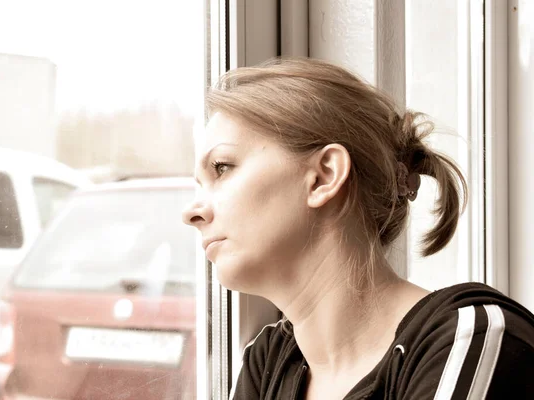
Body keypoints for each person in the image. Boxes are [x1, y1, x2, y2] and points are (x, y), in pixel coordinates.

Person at [182, 57, 534, 399]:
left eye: (222, 168)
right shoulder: (268, 362)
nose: (192, 212)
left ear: (324, 176)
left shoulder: (469, 340)